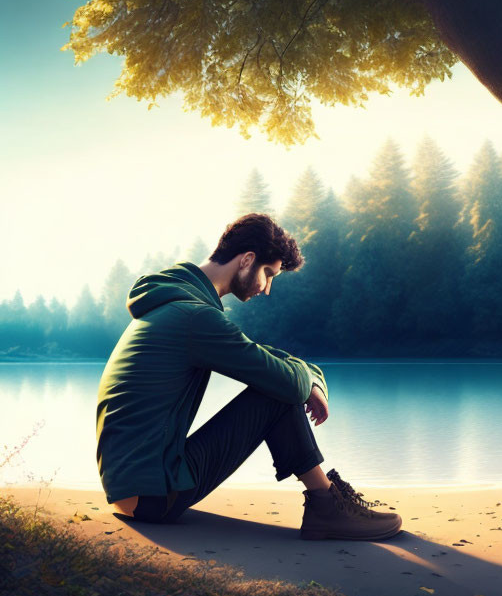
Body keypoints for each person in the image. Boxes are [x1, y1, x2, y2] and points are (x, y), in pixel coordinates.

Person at [95, 213, 401, 541]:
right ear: (247, 260)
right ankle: (326, 505)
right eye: (268, 274)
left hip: (132, 486)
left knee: (278, 381)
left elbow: (258, 355)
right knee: (275, 392)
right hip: (153, 495)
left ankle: (327, 503)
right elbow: (280, 379)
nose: (267, 289)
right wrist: (307, 379)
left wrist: (310, 376)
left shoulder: (177, 306)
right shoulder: (196, 317)